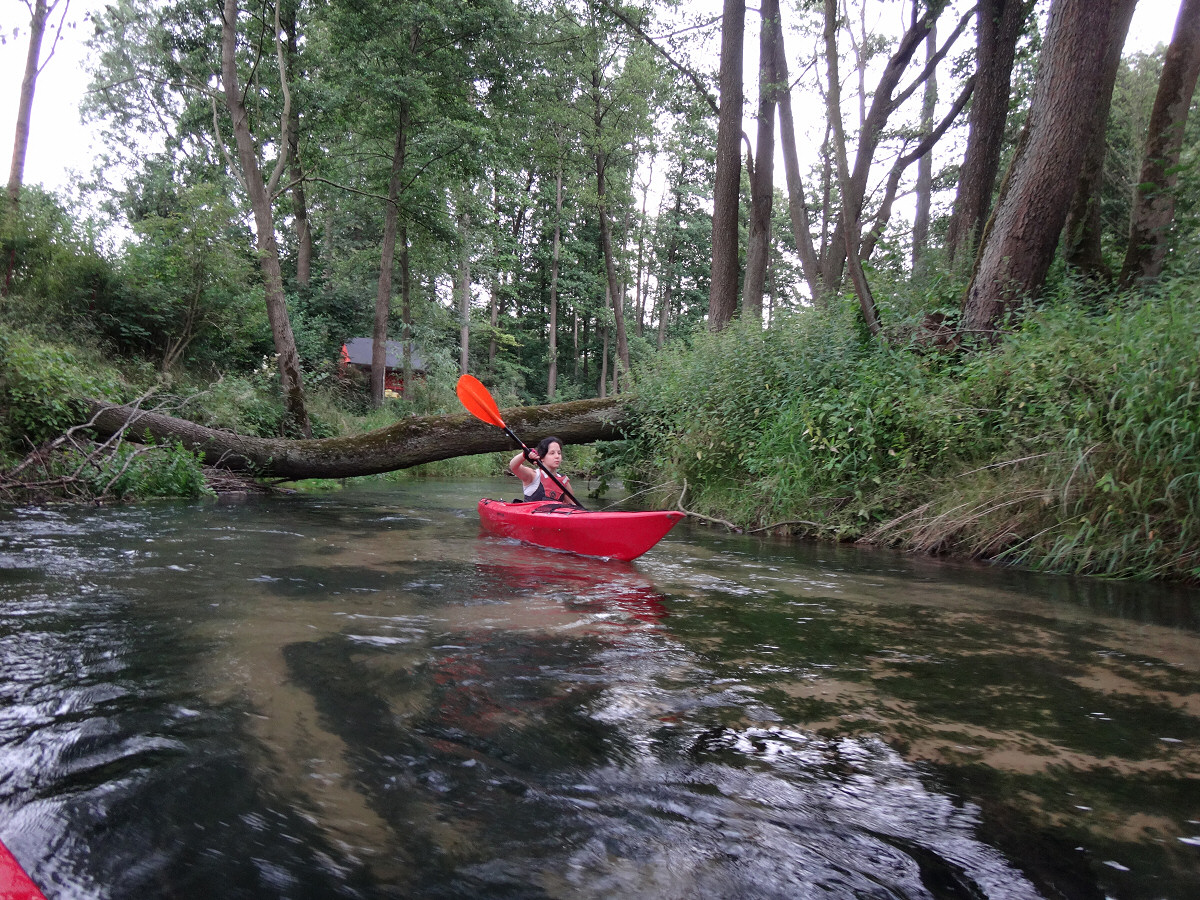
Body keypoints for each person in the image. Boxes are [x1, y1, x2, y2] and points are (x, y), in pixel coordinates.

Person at [509, 436, 573, 502]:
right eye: (552, 453)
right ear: (542, 457)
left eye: (559, 453)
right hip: (531, 511)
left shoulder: (564, 482)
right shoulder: (533, 476)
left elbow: (572, 505)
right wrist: (524, 454)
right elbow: (514, 466)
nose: (557, 456)